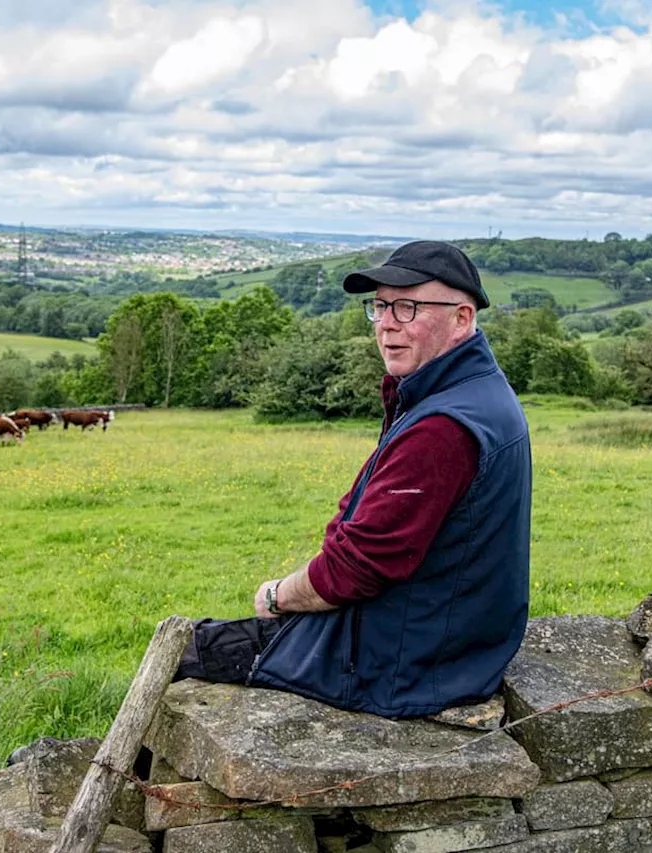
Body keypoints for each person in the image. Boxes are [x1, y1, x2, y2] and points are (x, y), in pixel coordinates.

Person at [174, 240, 532, 718]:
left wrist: (278, 596)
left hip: (399, 664)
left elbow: (354, 570)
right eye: (381, 306)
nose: (386, 324)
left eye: (408, 307)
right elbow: (366, 516)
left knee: (185, 654)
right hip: (436, 643)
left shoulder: (443, 428)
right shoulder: (467, 393)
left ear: (462, 318)